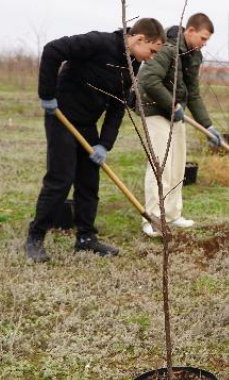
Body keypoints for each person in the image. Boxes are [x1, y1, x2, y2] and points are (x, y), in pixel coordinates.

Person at [24, 19, 166, 263]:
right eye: (152, 51)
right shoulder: (99, 42)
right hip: (60, 115)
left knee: (89, 181)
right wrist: (46, 94)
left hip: (86, 123)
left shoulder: (132, 64)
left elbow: (117, 106)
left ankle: (86, 238)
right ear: (139, 39)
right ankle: (35, 238)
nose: (151, 58)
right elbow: (52, 50)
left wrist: (104, 144)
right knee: (60, 179)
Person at [137, 13, 221, 238]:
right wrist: (172, 105)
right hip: (155, 110)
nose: (204, 44)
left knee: (177, 165)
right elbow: (149, 79)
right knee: (160, 166)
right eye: (203, 38)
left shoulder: (194, 55)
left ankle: (173, 214)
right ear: (190, 31)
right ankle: (153, 219)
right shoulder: (167, 49)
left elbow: (193, 92)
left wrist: (207, 125)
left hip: (175, 114)